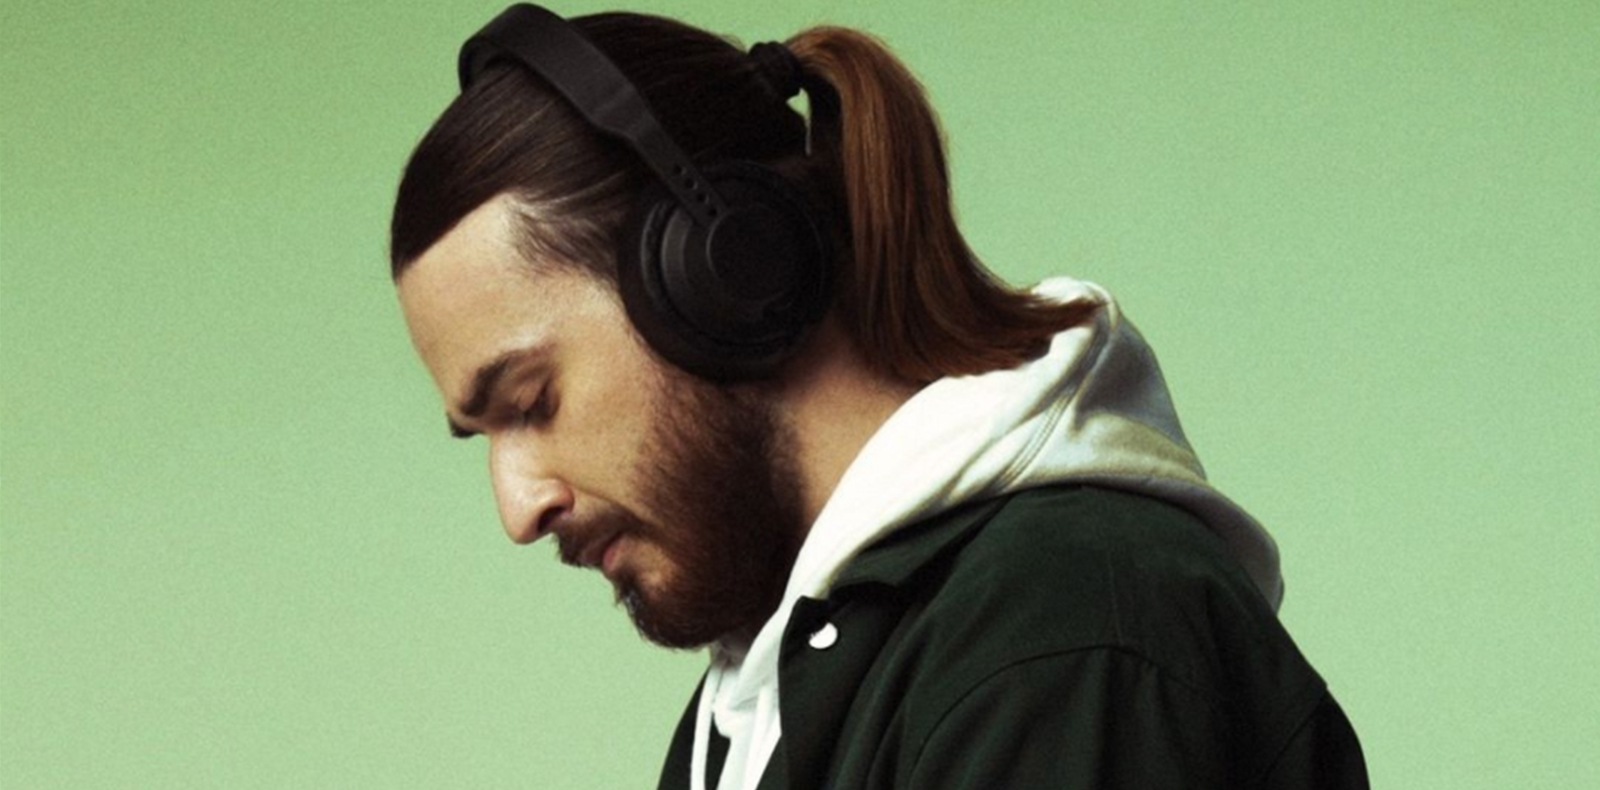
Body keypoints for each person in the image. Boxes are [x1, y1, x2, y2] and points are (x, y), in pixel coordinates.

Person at [388, 5, 1369, 789]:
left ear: (720, 276)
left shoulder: (1058, 639)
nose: (518, 508)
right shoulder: (759, 705)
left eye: (530, 401)